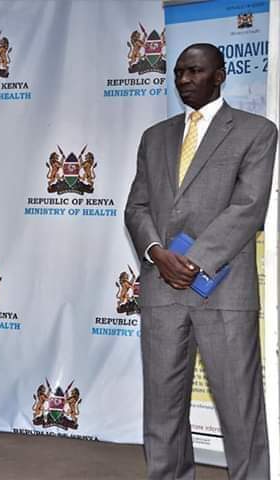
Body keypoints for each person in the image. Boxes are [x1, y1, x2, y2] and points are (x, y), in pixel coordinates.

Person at [125, 43, 277, 479]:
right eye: (178, 72)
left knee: (240, 410)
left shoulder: (256, 131)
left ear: (219, 75)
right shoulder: (154, 137)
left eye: (195, 71)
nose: (184, 80)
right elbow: (137, 206)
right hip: (161, 288)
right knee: (162, 411)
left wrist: (190, 261)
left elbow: (248, 207)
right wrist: (157, 253)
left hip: (223, 290)